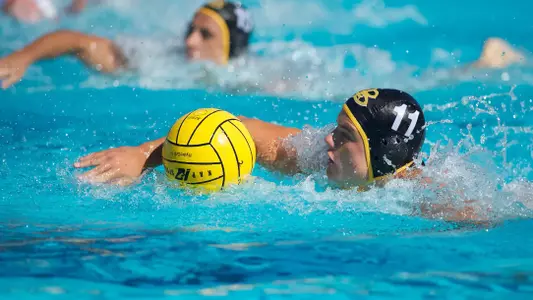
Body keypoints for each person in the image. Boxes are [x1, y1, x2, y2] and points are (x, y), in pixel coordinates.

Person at [71, 88, 482, 222]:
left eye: (343, 136)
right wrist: (144, 156)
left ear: (383, 152)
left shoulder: (433, 200)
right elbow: (241, 128)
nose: (326, 142)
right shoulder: (315, 158)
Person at [0, 0, 253, 89]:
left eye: (205, 34)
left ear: (232, 46)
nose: (189, 41)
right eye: (190, 30)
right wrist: (24, 56)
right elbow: (79, 42)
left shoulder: (252, 79)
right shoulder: (156, 59)